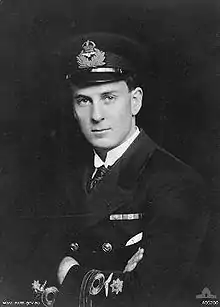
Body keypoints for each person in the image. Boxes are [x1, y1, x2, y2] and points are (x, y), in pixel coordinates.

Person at [40, 32, 209, 307]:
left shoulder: (176, 183)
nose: (96, 115)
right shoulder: (63, 179)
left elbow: (147, 294)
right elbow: (23, 273)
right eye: (84, 100)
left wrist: (69, 274)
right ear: (73, 108)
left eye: (108, 97)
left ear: (135, 101)